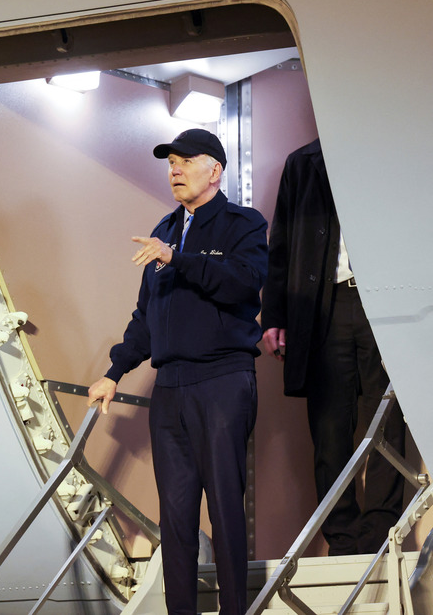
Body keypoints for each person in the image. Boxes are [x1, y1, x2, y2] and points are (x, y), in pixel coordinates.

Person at [87, 128, 267, 615]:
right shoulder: (164, 229)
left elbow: (242, 284)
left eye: (186, 161)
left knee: (226, 505)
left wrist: (178, 259)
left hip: (222, 381)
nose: (175, 169)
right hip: (170, 389)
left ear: (216, 170)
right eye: (170, 162)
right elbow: (146, 317)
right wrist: (114, 371)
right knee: (177, 516)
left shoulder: (242, 224)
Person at [260, 138, 405, 556]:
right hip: (326, 304)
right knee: (328, 427)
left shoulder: (391, 151)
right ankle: (342, 537)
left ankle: (380, 533)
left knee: (388, 418)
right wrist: (274, 316)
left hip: (387, 301)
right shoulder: (303, 161)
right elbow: (281, 245)